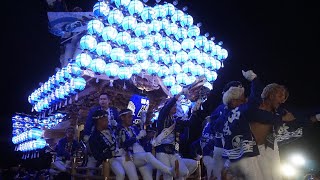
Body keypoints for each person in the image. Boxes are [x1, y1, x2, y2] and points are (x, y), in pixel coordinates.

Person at [248, 83, 319, 180]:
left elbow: (305, 116)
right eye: (280, 95)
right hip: (251, 149)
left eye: (284, 97)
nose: (282, 99)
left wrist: (317, 117)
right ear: (270, 95)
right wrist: (254, 80)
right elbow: (256, 97)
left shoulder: (285, 113)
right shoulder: (259, 107)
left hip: (270, 150)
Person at [214, 70, 264, 180]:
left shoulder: (221, 117)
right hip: (245, 155)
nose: (244, 99)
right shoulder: (240, 110)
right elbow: (256, 99)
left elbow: (215, 127)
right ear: (233, 101)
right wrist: (254, 79)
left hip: (230, 160)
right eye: (241, 98)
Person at [118, 109, 176, 180]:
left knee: (148, 177)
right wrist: (137, 137)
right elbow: (124, 144)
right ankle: (169, 171)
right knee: (148, 155)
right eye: (129, 117)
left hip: (141, 154)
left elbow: (142, 142)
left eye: (131, 117)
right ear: (122, 118)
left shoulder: (134, 128)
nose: (131, 119)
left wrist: (147, 137)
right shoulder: (119, 129)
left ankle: (168, 170)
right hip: (131, 157)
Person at [152, 88, 195, 180]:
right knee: (168, 177)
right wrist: (180, 93)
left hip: (173, 152)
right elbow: (169, 104)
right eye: (174, 106)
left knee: (185, 171)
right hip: (162, 151)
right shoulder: (162, 117)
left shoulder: (175, 120)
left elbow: (190, 123)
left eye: (176, 106)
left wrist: (195, 111)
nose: (176, 107)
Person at [88, 110, 136, 180]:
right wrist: (112, 153)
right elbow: (97, 156)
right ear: (99, 121)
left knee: (133, 175)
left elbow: (121, 141)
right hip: (109, 160)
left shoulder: (112, 129)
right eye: (105, 120)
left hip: (122, 156)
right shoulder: (93, 138)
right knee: (120, 174)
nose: (108, 121)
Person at [83, 93, 119, 169]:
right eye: (101, 99)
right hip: (98, 136)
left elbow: (119, 123)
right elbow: (88, 123)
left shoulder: (114, 111)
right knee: (94, 156)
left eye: (104, 99)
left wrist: (116, 124)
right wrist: (87, 135)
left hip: (112, 136)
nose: (102, 101)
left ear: (109, 101)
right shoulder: (94, 111)